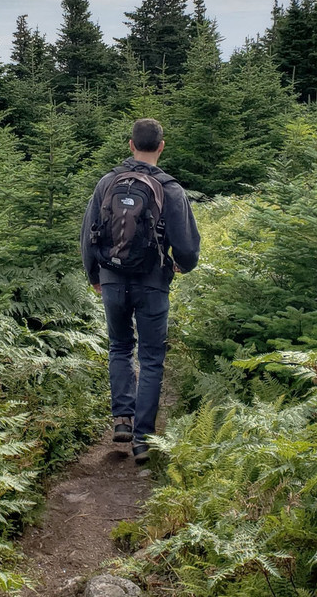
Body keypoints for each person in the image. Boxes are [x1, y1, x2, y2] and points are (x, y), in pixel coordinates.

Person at [80, 118, 201, 463]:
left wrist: (94, 275)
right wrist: (182, 265)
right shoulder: (170, 188)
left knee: (119, 346)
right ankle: (142, 438)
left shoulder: (107, 183)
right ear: (161, 146)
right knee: (151, 358)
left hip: (112, 278)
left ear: (130, 144)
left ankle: (121, 418)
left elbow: (88, 234)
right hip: (153, 282)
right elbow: (188, 246)